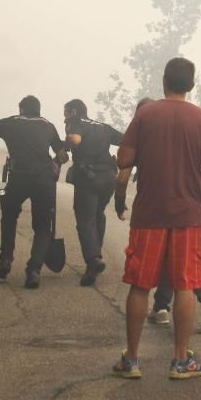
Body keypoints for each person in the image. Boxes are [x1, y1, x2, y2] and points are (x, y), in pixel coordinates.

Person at [112, 58, 201, 380]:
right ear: (191, 85)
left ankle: (131, 360)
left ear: (163, 80)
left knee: (139, 285)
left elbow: (124, 158)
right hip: (187, 215)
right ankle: (180, 361)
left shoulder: (145, 114)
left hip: (148, 213)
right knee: (185, 285)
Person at [118, 98, 201, 335]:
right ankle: (162, 310)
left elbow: (123, 164)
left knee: (169, 272)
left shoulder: (147, 123)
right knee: (175, 256)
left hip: (167, 204)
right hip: (195, 195)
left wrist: (120, 202)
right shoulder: (194, 120)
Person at [0, 95, 68, 289]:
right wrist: (57, 162)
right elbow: (62, 155)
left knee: (9, 217)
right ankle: (34, 270)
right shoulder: (48, 126)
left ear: (21, 110)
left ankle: (6, 260)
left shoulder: (12, 122)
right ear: (38, 110)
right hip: (44, 181)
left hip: (18, 177)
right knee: (43, 226)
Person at [64, 99, 123, 287]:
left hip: (88, 178)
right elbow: (126, 140)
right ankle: (95, 257)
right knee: (98, 214)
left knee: (85, 219)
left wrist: (65, 146)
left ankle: (94, 259)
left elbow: (75, 140)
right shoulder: (102, 126)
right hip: (109, 177)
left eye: (65, 112)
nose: (63, 117)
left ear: (73, 111)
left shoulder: (76, 123)